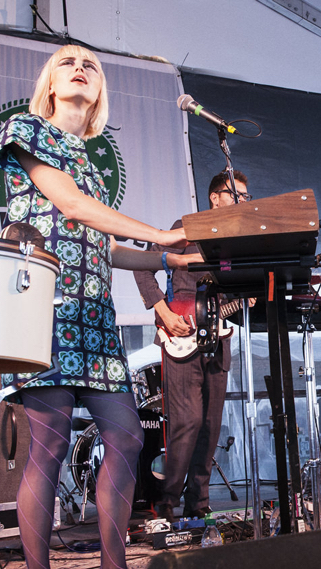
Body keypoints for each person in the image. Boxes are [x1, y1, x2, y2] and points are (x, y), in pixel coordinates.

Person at [0, 44, 200, 569]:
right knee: (50, 447)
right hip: (46, 311)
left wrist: (167, 263)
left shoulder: (88, 156)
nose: (81, 67)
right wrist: (161, 237)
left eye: (91, 64)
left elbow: (100, 245)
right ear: (51, 85)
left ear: (99, 90)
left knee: (128, 438)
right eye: (67, 62)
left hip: (95, 317)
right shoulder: (25, 129)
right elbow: (72, 208)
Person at [133, 170, 248, 521]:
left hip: (219, 334)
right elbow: (143, 268)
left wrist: (249, 298)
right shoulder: (188, 226)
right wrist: (163, 311)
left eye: (246, 195)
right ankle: (165, 504)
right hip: (180, 330)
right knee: (187, 422)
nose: (242, 200)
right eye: (235, 193)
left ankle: (199, 505)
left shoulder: (240, 239)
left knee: (212, 425)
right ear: (215, 197)